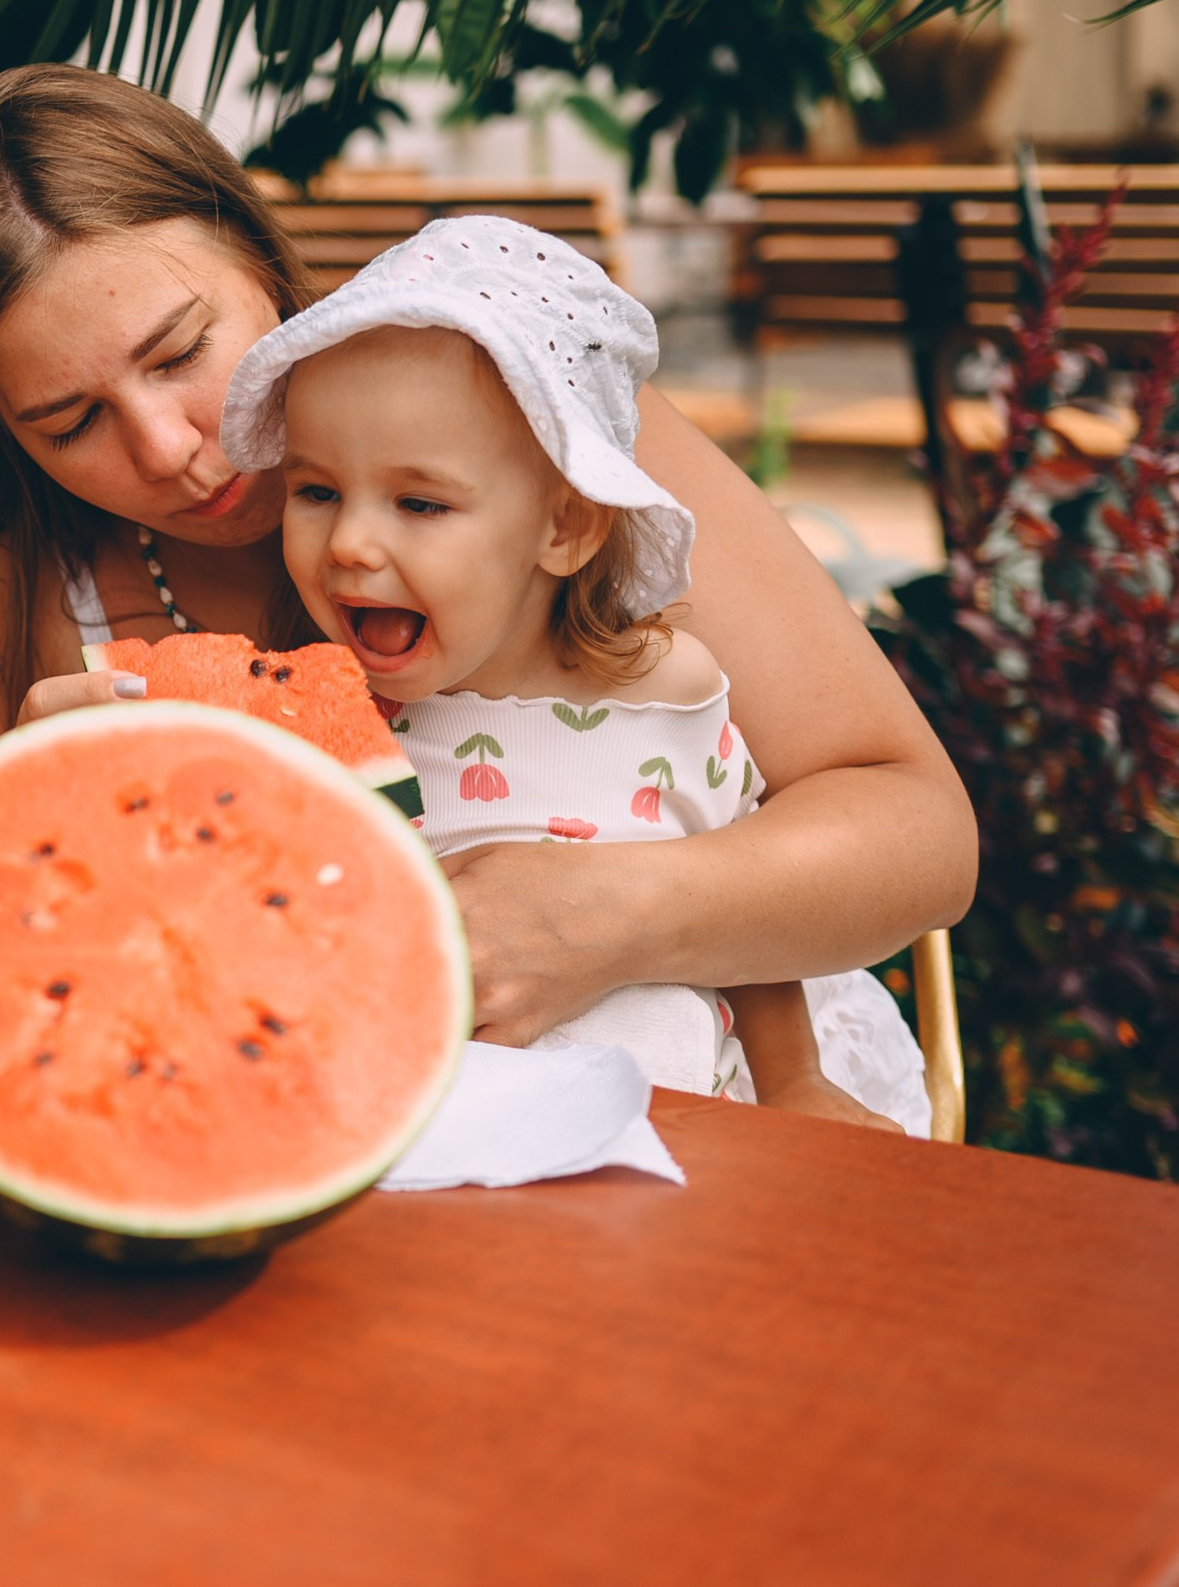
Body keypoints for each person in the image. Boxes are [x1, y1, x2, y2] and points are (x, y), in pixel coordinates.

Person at [0, 64, 973, 1118]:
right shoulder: (15, 591)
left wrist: (618, 912)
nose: (167, 448)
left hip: (715, 1090)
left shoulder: (540, 433)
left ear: (260, 257)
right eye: (69, 423)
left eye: (179, 353)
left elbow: (920, 832)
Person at [220, 214, 921, 1127]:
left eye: (420, 502)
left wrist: (795, 1083)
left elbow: (744, 922)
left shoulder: (666, 696)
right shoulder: (305, 719)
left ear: (565, 528)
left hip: (678, 1149)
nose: (350, 542)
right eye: (316, 491)